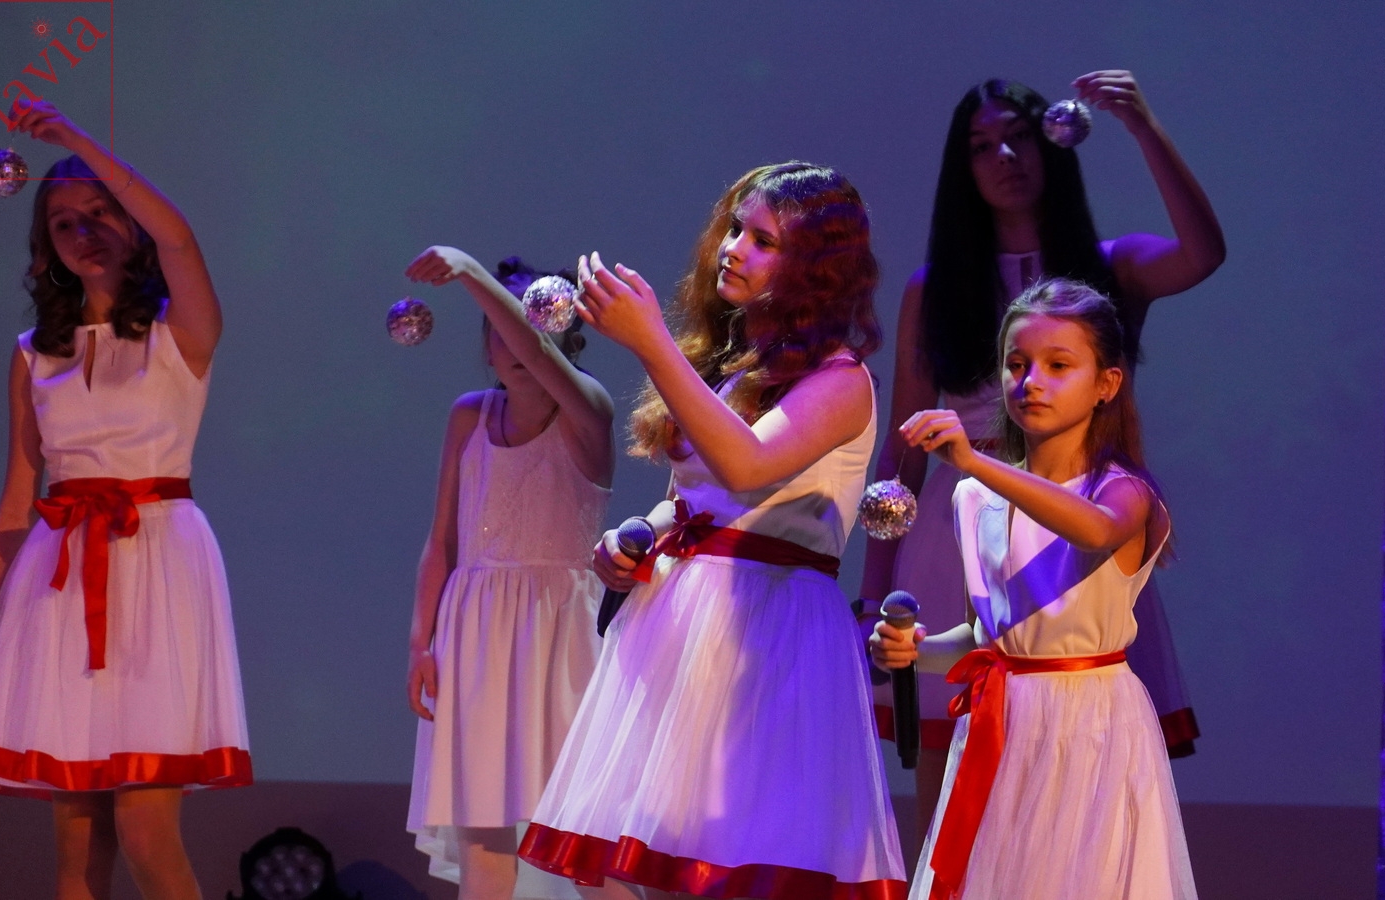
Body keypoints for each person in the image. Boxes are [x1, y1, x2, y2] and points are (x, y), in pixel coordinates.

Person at [517, 162, 906, 900]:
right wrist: (637, 535)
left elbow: (746, 466)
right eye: (735, 229)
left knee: (740, 860)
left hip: (766, 632)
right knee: (655, 860)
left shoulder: (841, 381)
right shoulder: (734, 371)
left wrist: (650, 343)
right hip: (682, 624)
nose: (734, 248)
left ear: (816, 271)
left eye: (765, 241)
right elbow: (695, 500)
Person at [859, 72, 1225, 826]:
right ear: (962, 169)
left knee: (1081, 757)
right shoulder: (935, 288)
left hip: (1078, 510)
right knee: (953, 765)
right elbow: (903, 452)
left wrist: (1143, 126)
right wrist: (872, 590)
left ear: (1052, 143)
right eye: (981, 145)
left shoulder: (1110, 267)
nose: (1004, 156)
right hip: (953, 529)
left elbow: (1203, 252)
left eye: (1019, 136)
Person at [0, 99, 246, 900]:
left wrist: (75, 141)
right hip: (60, 579)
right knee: (77, 851)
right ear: (47, 249)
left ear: (131, 222)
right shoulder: (32, 355)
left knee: (146, 831)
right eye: (64, 223)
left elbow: (180, 240)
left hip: (158, 565)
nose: (85, 232)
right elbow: (15, 508)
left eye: (102, 212)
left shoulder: (181, 332)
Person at [872, 278, 1195, 900]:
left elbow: (1094, 529)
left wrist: (976, 461)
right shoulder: (973, 498)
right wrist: (917, 651)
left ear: (1106, 384)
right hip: (1001, 728)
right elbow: (991, 637)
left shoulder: (1121, 490)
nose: (1031, 382)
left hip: (1089, 727)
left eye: (1058, 366)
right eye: (1016, 365)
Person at [402, 250, 615, 900]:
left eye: (537, 318)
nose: (519, 338)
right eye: (501, 325)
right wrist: (421, 642)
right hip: (474, 636)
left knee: (583, 848)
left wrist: (470, 272)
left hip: (560, 641)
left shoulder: (589, 410)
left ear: (567, 335)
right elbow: (442, 540)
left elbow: (540, 358)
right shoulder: (469, 415)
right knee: (484, 845)